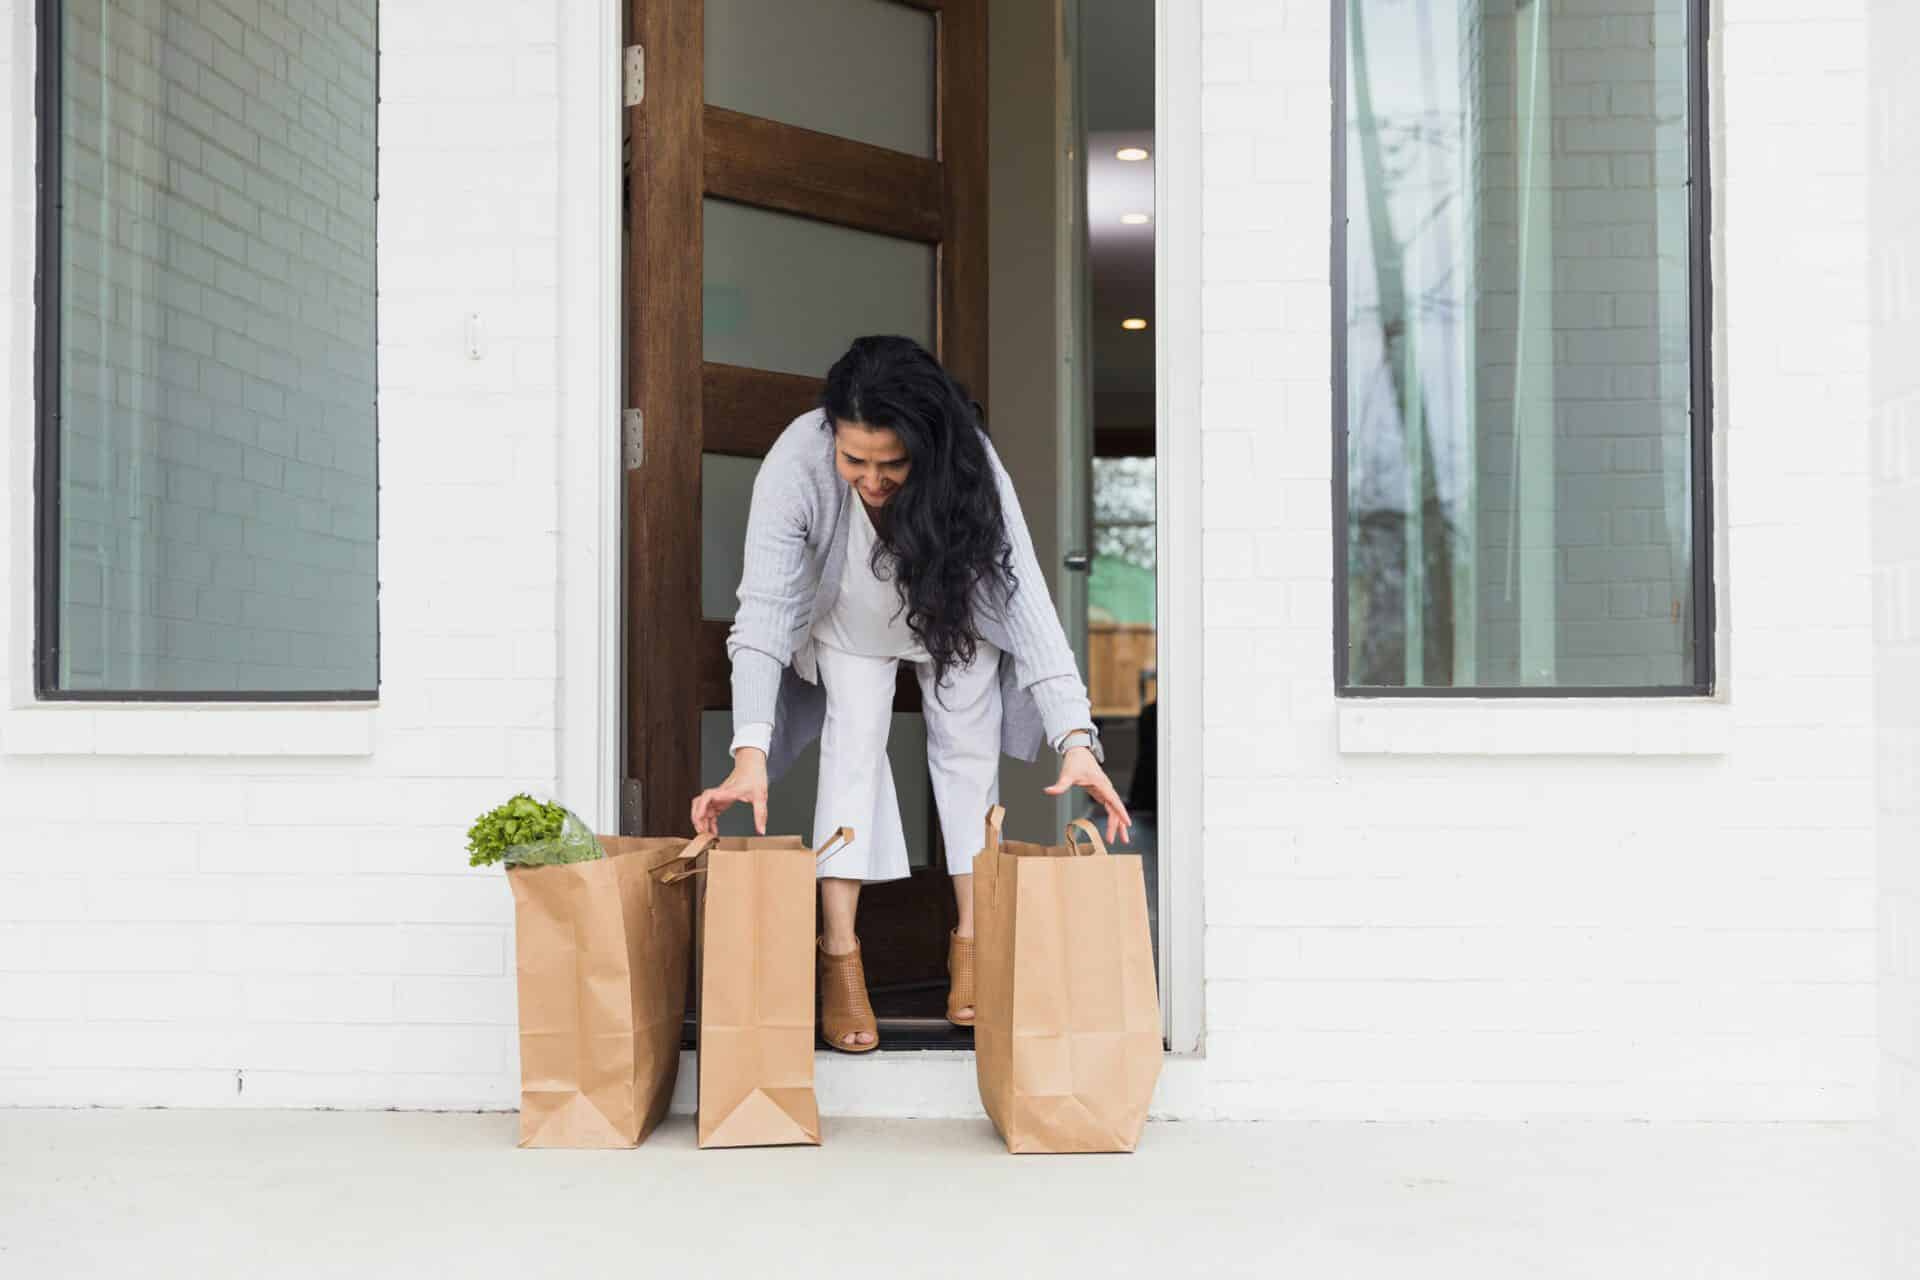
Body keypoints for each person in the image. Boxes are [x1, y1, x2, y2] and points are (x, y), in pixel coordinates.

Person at [690, 335, 1130, 1053]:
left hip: (952, 617)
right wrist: (750, 750)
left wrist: (1075, 740)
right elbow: (763, 614)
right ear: (831, 434)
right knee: (852, 751)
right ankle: (839, 956)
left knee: (966, 758)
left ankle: (973, 945)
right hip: (848, 625)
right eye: (854, 460)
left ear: (927, 445)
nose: (870, 479)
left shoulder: (971, 463)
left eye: (892, 463)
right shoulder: (797, 460)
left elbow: (1029, 610)